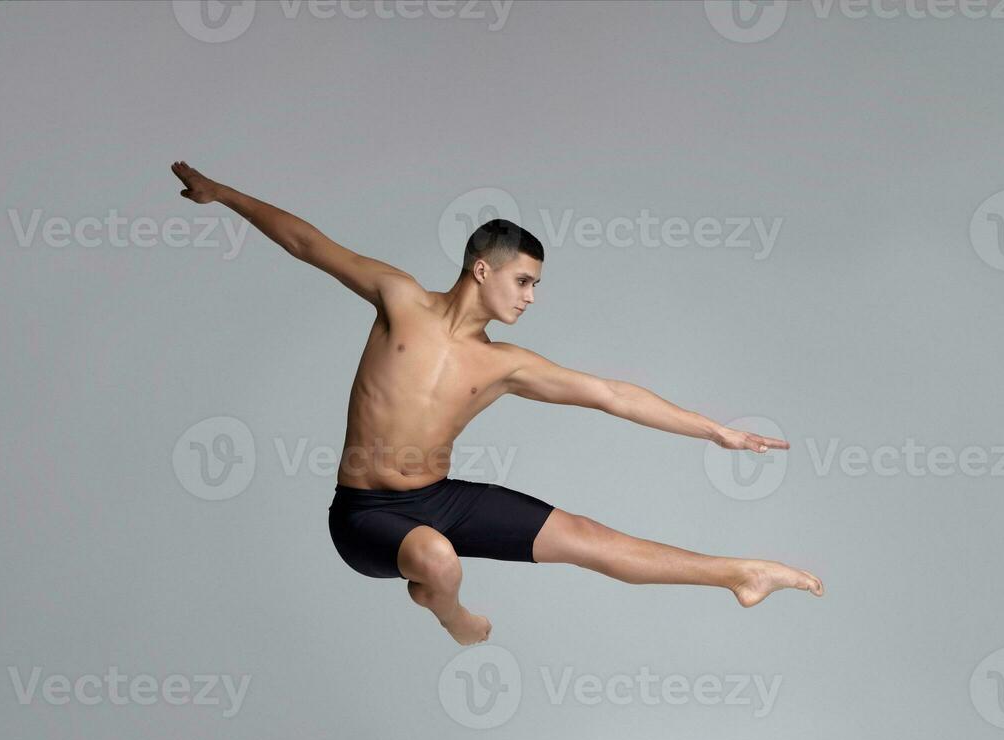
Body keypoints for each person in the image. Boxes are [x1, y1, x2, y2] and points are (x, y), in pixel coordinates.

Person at [171, 161, 824, 645]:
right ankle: (453, 614)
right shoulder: (398, 299)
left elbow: (611, 395)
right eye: (524, 280)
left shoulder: (506, 366)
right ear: (482, 268)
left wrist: (716, 433)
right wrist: (224, 195)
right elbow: (308, 243)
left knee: (588, 538)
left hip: (439, 496)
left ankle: (739, 572)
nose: (530, 297)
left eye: (536, 285)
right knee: (434, 558)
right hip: (365, 516)